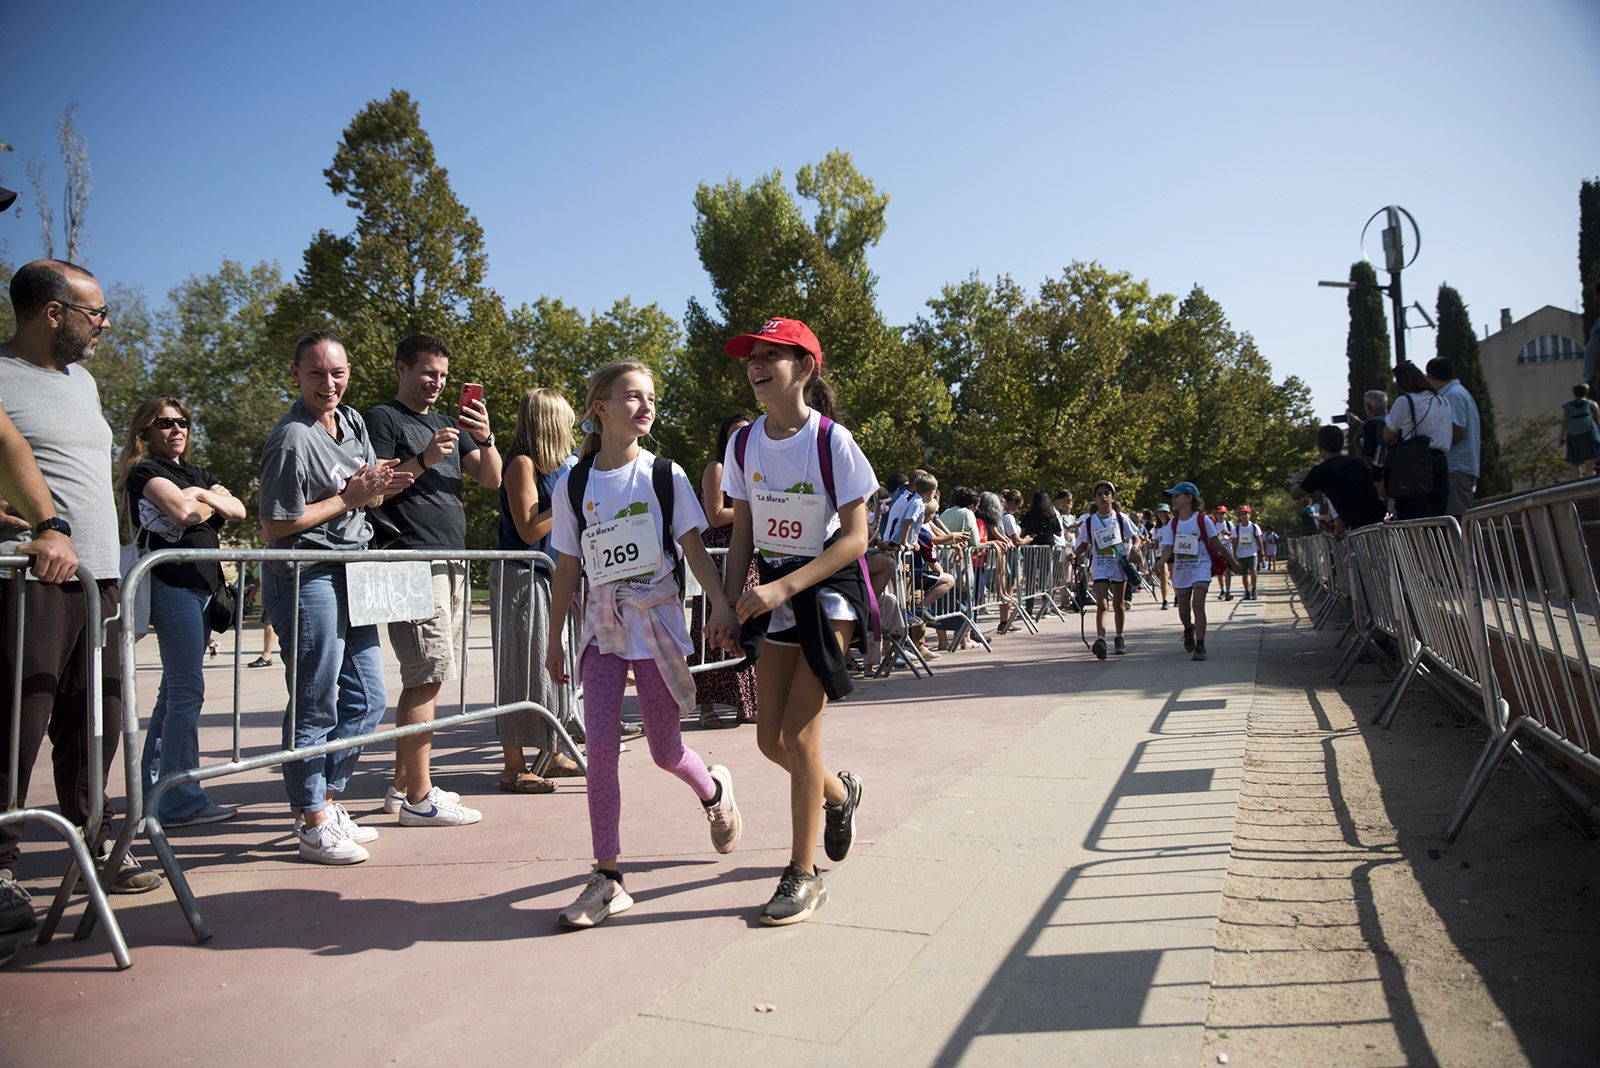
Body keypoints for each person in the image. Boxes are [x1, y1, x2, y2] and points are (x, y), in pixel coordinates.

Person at [545, 360, 742, 929]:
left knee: (663, 750)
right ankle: (607, 878)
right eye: (632, 396)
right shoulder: (574, 484)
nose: (645, 406)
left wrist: (723, 605)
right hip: (603, 630)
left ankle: (713, 790)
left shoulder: (666, 476)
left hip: (656, 626)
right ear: (599, 409)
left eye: (650, 396)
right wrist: (557, 635)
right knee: (600, 751)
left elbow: (695, 549)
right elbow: (566, 565)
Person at [1, 261, 164, 931]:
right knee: (18, 725)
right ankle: (2, 869)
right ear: (52, 312)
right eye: (94, 312)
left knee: (99, 720)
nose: (105, 322)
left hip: (99, 581)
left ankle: (90, 845)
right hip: (33, 583)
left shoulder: (83, 381)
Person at [720, 316, 877, 926]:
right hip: (775, 587)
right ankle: (838, 794)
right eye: (752, 357)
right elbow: (744, 534)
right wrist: (730, 602)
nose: (756, 365)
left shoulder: (832, 441)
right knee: (769, 740)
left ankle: (802, 876)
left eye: (771, 356)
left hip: (827, 588)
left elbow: (858, 539)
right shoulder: (742, 444)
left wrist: (783, 584)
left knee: (802, 736)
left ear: (805, 368)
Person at [259, 330, 415, 864]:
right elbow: (275, 524)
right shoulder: (291, 439)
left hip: (357, 572)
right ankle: (311, 817)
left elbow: (366, 493)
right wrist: (349, 498)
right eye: (317, 373)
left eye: (338, 372)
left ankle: (328, 799)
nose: (329, 383)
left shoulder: (351, 423)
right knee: (314, 699)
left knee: (369, 699)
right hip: (308, 576)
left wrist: (391, 480)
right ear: (296, 375)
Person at [364, 335, 500, 826]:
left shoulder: (448, 422)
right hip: (408, 559)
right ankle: (420, 798)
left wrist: (484, 438)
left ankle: (403, 789)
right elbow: (374, 489)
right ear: (401, 368)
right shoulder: (383, 418)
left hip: (450, 559)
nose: (437, 383)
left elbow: (492, 479)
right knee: (427, 671)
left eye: (443, 376)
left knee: (434, 671)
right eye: (427, 374)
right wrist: (422, 459)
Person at [118, 396, 247, 828]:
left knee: (172, 694)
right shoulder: (146, 472)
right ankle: (180, 799)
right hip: (173, 589)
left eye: (183, 423)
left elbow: (239, 509)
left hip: (204, 591)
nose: (176, 430)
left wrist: (198, 495)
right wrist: (204, 502)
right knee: (186, 693)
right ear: (146, 431)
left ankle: (157, 791)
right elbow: (184, 512)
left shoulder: (195, 474)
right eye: (165, 423)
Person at [491, 387, 578, 794]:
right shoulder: (522, 464)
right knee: (518, 668)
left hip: (550, 574)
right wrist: (566, 498)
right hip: (520, 575)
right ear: (548, 421)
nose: (572, 426)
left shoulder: (559, 466)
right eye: (565, 419)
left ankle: (553, 752)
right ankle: (512, 766)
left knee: (552, 668)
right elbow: (528, 528)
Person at [692, 413, 759, 729]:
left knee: (747, 623)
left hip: (748, 553)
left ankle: (747, 704)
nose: (740, 439)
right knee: (711, 626)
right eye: (734, 433)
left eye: (746, 433)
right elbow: (715, 514)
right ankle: (706, 708)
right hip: (719, 556)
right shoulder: (716, 468)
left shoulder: (755, 469)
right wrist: (754, 506)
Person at [1157, 482, 1240, 662]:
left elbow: (1216, 544)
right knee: (1184, 608)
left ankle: (1201, 646)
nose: (1174, 500)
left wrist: (1232, 561)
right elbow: (1168, 548)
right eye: (1172, 496)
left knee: (1198, 603)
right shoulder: (1173, 523)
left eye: (1177, 496)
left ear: (1189, 498)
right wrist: (1161, 562)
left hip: (1201, 566)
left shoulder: (1203, 520)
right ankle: (1188, 629)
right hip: (1181, 570)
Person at [1074, 480, 1141, 658]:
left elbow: (1136, 537)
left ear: (1112, 497)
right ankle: (1101, 640)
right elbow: (1082, 544)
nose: (1103, 496)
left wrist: (1134, 548)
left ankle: (1119, 637)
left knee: (1118, 604)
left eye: (1107, 493)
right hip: (1100, 566)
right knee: (1101, 604)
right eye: (1099, 494)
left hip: (1118, 565)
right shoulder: (1089, 522)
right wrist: (1074, 554)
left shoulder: (1120, 518)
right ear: (1095, 499)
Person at [1382, 362, 1452, 520]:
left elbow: (1387, 434)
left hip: (1414, 463)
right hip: (1440, 461)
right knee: (1438, 516)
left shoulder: (1405, 401)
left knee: (1413, 517)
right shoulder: (1442, 401)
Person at [1290, 426, 1387, 532]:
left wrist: (1298, 478)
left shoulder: (1321, 471)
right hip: (1383, 522)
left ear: (1320, 447)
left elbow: (1295, 494)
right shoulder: (1357, 463)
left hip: (1362, 530)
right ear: (1342, 444)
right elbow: (1352, 497)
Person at [1426, 357, 1481, 518]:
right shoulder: (1458, 392)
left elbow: (1457, 431)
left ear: (1431, 377)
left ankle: (1462, 545)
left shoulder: (1453, 396)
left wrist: (1433, 447)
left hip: (1456, 466)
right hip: (1458, 466)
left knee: (1457, 516)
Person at [1560, 383, 1600, 480]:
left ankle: (1578, 478)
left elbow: (1564, 422)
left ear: (1574, 393)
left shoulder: (1567, 406)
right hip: (1589, 433)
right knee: (1590, 458)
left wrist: (1561, 437)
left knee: (1574, 460)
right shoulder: (1592, 404)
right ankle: (1589, 477)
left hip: (1573, 435)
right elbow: (1598, 420)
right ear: (1586, 392)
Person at [1232, 505, 1262, 601]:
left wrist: (1262, 552)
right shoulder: (1237, 528)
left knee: (1253, 570)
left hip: (1252, 552)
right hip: (1241, 553)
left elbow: (1259, 539)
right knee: (1244, 573)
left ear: (1250, 515)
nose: (1244, 516)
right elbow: (1235, 542)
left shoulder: (1254, 526)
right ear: (1239, 516)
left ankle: (1254, 589)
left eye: (1246, 514)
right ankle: (1246, 591)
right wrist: (1234, 554)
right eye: (1242, 514)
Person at [1213, 506, 1235, 600]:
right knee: (1220, 572)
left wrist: (1228, 534)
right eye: (1219, 513)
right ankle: (1222, 589)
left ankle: (1228, 590)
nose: (1221, 515)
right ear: (1216, 515)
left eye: (1223, 513)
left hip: (1228, 550)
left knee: (1228, 571)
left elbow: (1234, 536)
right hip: (1218, 551)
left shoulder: (1229, 524)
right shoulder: (1213, 525)